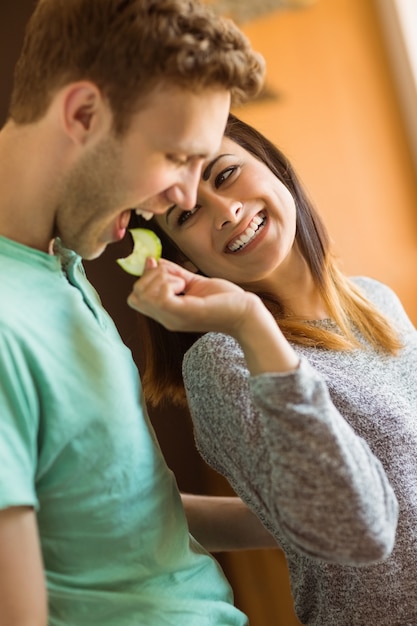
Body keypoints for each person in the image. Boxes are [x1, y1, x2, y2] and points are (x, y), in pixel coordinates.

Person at [0, 1, 267, 624]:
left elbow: (116, 520)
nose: (183, 196)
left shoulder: (55, 259)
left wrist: (307, 523)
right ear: (84, 114)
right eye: (177, 157)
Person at [127, 113, 417, 625]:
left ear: (272, 163)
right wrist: (248, 319)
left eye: (224, 174)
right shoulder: (225, 359)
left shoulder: (378, 301)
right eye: (188, 213)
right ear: (182, 260)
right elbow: (354, 529)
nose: (226, 209)